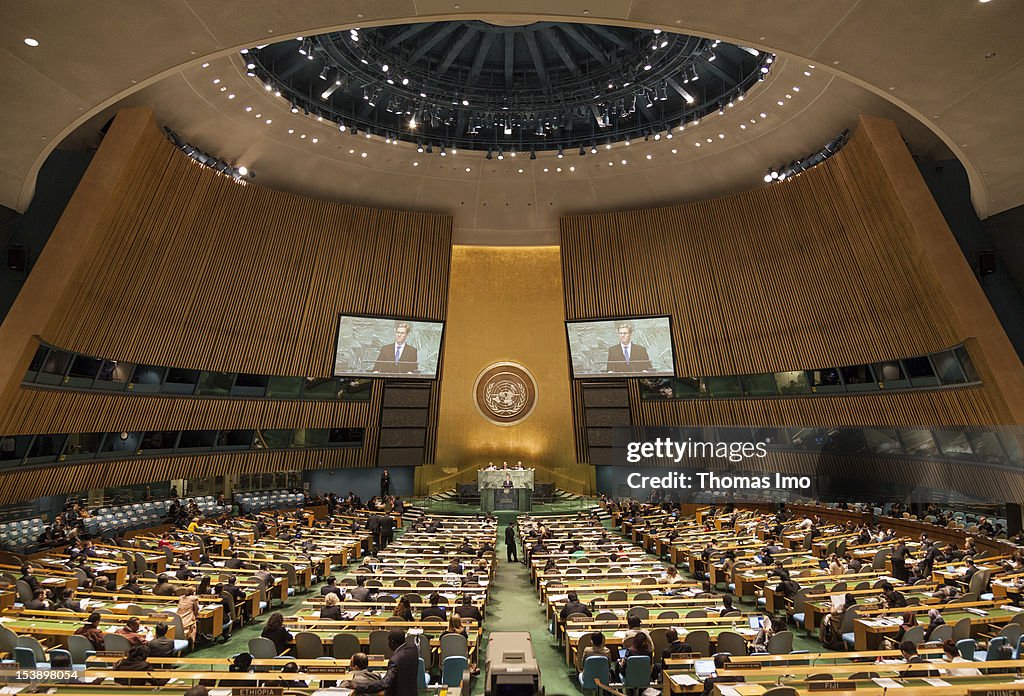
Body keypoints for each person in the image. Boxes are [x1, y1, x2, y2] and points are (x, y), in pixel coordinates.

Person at [353, 629, 418, 696]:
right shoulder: (413, 649)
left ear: (392, 641)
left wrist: (358, 687)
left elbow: (385, 683)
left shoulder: (395, 660)